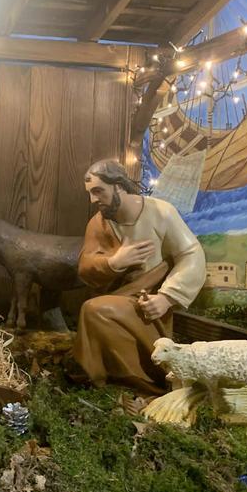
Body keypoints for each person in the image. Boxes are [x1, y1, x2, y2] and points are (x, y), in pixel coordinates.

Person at [72, 160, 206, 395]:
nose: (93, 200)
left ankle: (141, 380)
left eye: (98, 191)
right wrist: (114, 263)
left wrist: (167, 297)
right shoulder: (98, 224)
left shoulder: (160, 212)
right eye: (90, 193)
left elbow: (191, 255)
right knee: (95, 309)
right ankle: (117, 377)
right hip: (116, 298)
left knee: (94, 310)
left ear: (119, 186)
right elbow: (85, 267)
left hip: (149, 304)